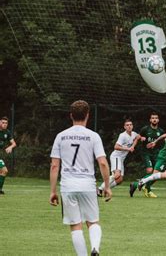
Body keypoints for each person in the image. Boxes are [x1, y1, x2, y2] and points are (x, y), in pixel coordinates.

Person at [49, 100, 112, 256]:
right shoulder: (93, 136)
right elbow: (103, 163)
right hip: (87, 185)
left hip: (68, 186)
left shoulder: (61, 136)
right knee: (93, 221)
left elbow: (54, 166)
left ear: (71, 116)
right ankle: (95, 248)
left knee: (75, 225)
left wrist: (53, 191)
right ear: (88, 116)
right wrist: (107, 186)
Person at [130, 116, 166, 198]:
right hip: (165, 157)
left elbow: (163, 136)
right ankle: (136, 184)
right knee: (156, 175)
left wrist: (155, 142)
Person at [130, 112, 166, 198]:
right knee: (150, 170)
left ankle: (142, 186)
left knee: (158, 173)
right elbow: (137, 137)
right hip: (146, 153)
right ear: (150, 120)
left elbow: (164, 141)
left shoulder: (160, 131)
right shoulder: (145, 129)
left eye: (156, 118)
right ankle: (146, 188)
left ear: (158, 120)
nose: (154, 119)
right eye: (153, 118)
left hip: (156, 154)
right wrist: (139, 140)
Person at [97, 118, 139, 197]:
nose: (129, 126)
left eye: (130, 125)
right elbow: (116, 147)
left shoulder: (134, 134)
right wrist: (128, 149)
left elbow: (138, 137)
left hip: (121, 159)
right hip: (116, 157)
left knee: (119, 180)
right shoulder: (122, 135)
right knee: (117, 175)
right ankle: (100, 189)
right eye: (127, 125)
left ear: (132, 126)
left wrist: (133, 145)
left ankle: (106, 188)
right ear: (124, 127)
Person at [0, 116, 16, 195]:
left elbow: (14, 143)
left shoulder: (7, 132)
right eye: (3, 123)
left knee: (3, 171)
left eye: (6, 123)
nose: (4, 124)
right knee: (4, 171)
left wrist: (10, 147)